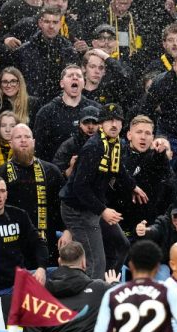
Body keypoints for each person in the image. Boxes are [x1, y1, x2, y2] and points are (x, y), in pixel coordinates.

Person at [60, 103, 148, 278]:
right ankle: (91, 297)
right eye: (109, 120)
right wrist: (103, 211)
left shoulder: (116, 144)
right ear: (101, 124)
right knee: (96, 261)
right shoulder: (93, 147)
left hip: (94, 206)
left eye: (117, 120)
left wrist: (133, 186)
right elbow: (79, 187)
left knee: (121, 245)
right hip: (77, 210)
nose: (114, 124)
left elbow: (119, 168)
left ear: (123, 124)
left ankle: (107, 286)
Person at [0, 123, 66, 264]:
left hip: (46, 242)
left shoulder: (52, 172)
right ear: (10, 143)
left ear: (34, 142)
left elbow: (64, 206)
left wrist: (68, 230)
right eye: (18, 137)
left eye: (27, 136)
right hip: (12, 244)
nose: (23, 140)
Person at [0, 175, 48, 316]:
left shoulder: (18, 215)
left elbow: (39, 243)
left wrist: (41, 268)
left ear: (6, 194)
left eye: (2, 191)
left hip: (20, 281)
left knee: (62, 275)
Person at [33, 64, 102, 162]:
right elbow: (39, 151)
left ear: (84, 83)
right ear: (62, 83)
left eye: (78, 76)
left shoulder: (97, 109)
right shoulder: (46, 112)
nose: (75, 78)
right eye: (70, 76)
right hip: (56, 172)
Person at [14, 5, 80, 104]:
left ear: (61, 23)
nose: (51, 26)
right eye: (47, 22)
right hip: (29, 106)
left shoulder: (69, 51)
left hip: (60, 107)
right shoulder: (23, 51)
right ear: (40, 23)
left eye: (55, 22)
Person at [53, 105, 100, 177]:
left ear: (100, 124)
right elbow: (55, 174)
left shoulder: (106, 143)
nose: (90, 127)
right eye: (86, 122)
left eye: (94, 122)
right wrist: (70, 169)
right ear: (79, 124)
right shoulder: (69, 145)